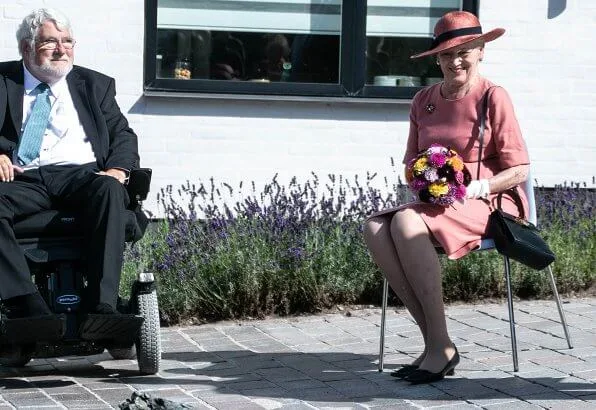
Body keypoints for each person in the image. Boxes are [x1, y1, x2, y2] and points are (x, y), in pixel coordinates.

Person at [363, 11, 530, 384]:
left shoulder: (492, 96)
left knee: (405, 220)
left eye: (465, 50)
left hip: (491, 202)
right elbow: (411, 162)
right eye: (446, 54)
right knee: (375, 226)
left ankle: (438, 348)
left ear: (481, 50)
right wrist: (425, 181)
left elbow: (519, 171)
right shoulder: (423, 100)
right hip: (439, 203)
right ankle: (437, 342)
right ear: (436, 59)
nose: (455, 60)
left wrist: (480, 186)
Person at [0, 8, 139, 319]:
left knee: (110, 189)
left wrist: (117, 170)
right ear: (27, 47)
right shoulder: (2, 81)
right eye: (50, 41)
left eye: (67, 41)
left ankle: (102, 306)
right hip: (23, 179)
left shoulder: (95, 85)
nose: (62, 49)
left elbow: (123, 135)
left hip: (81, 176)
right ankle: (26, 303)